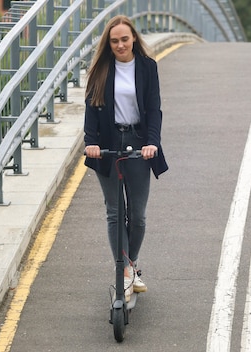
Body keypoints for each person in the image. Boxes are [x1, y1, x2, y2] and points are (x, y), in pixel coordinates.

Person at [83, 15, 168, 302]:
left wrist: (152, 143)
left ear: (133, 39)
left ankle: (129, 265)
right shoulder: (100, 70)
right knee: (115, 212)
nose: (120, 45)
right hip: (108, 143)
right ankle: (125, 272)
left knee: (139, 216)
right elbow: (91, 111)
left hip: (138, 143)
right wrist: (90, 143)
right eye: (114, 40)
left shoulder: (147, 67)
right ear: (109, 44)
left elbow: (154, 109)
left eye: (124, 39)